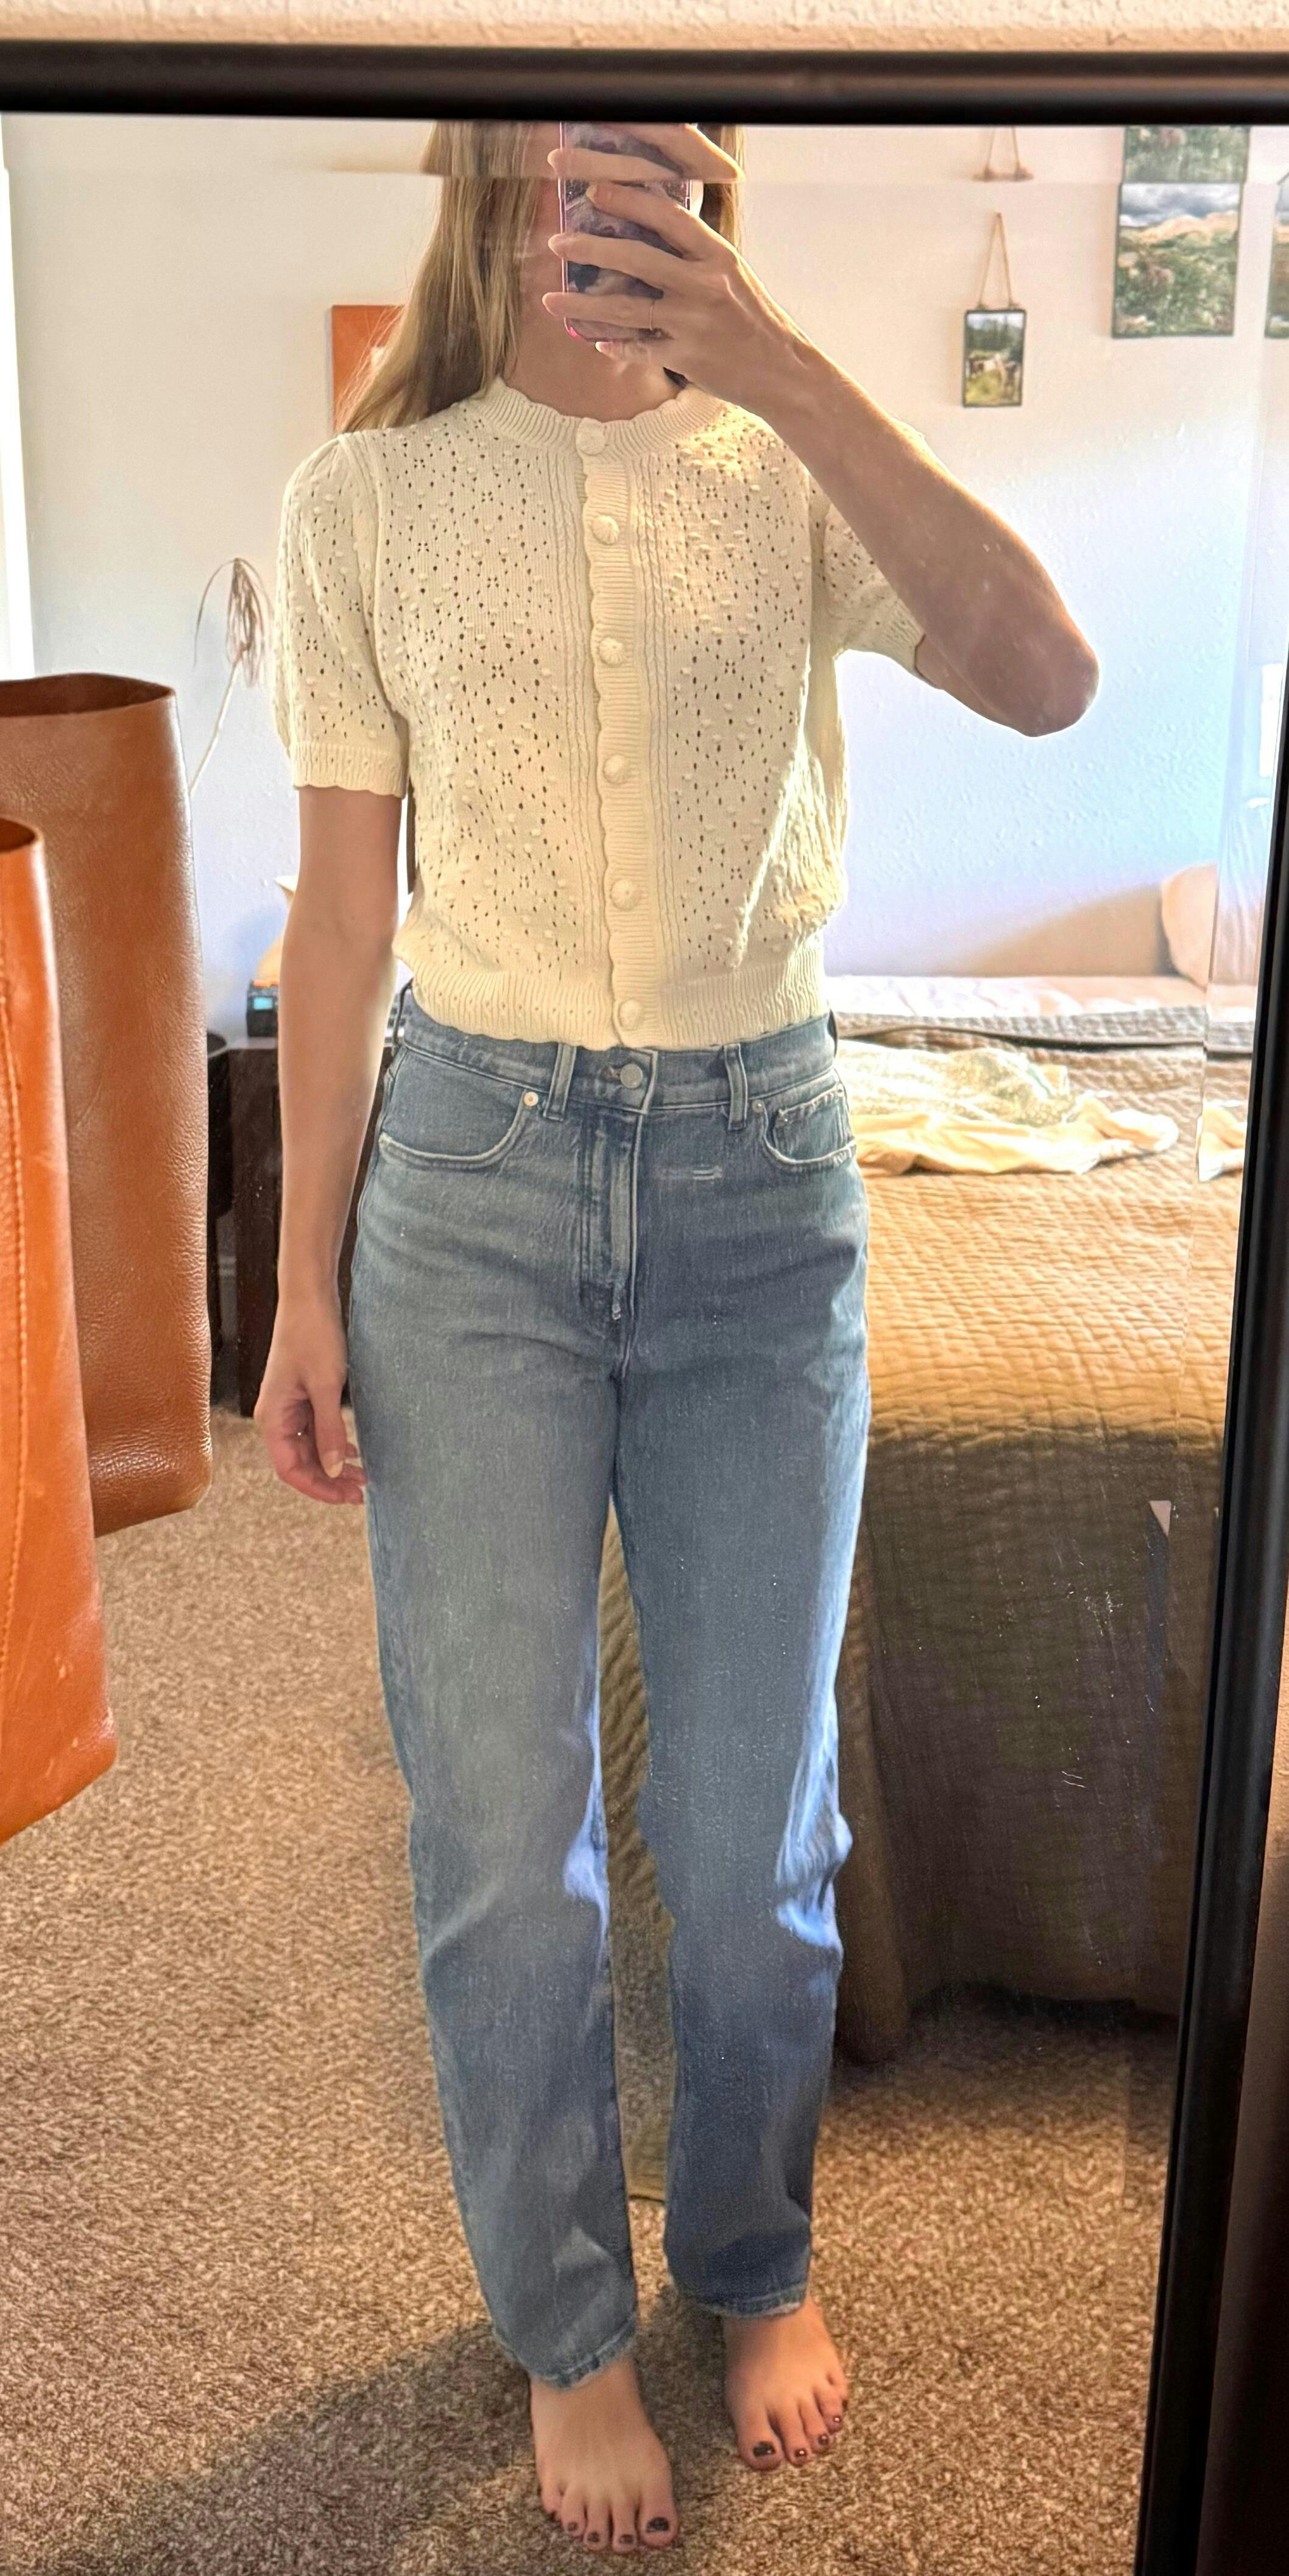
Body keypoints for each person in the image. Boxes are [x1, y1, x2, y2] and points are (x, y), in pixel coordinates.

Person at [258, 118, 1097, 2557]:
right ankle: (561, 2320)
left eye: (650, 151)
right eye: (555, 140)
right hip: (472, 1193)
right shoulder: (366, 500)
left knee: (756, 1831)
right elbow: (338, 930)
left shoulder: (786, 454)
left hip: (761, 1182)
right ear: (479, 163)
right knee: (497, 1830)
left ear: (714, 177)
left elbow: (1048, 676)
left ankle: (750, 2252)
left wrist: (785, 365)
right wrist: (297, 1283)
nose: (592, 191)